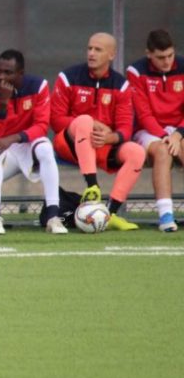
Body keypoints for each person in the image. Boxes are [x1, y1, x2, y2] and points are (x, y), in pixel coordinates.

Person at [51, 32, 145, 231]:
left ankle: (109, 215)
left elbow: (125, 128)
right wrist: (92, 123)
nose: (91, 53)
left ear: (111, 55)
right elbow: (56, 120)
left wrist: (110, 137)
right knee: (84, 121)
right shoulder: (68, 77)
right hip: (69, 144)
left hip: (101, 146)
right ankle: (92, 186)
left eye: (98, 49)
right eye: (89, 48)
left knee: (137, 152)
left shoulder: (121, 85)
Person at [0, 50, 67, 235]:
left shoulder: (38, 86)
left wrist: (13, 138)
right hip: (1, 148)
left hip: (25, 144)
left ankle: (53, 218)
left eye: (8, 72)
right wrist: (3, 103)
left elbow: (42, 126)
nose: (1, 77)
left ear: (20, 73)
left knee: (45, 148)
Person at [126, 29, 184, 232]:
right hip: (149, 131)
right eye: (160, 57)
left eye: (170, 55)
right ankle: (166, 216)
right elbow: (144, 115)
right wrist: (167, 137)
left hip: (179, 130)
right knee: (162, 150)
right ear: (149, 54)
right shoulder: (136, 71)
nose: (167, 61)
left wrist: (178, 134)